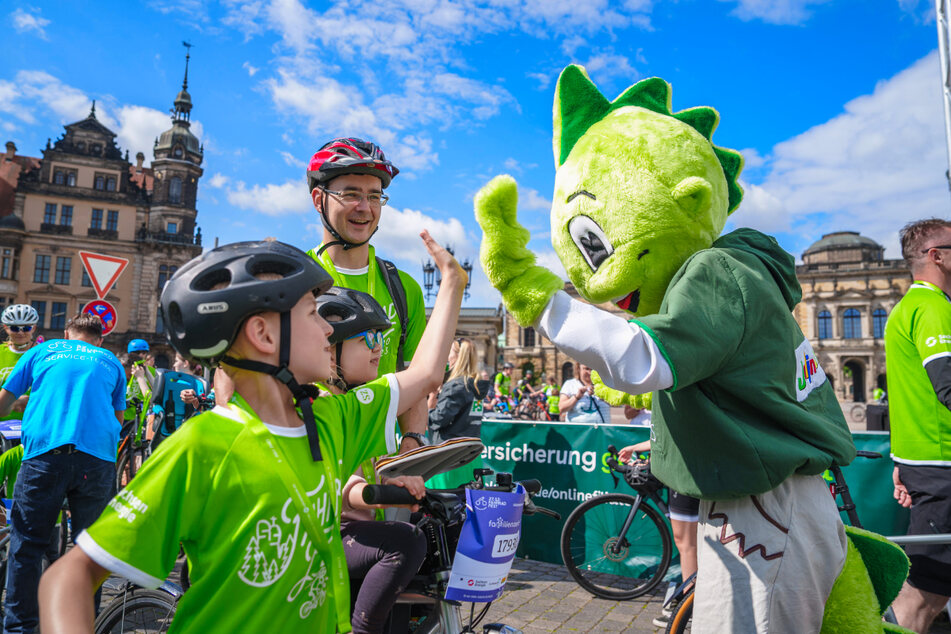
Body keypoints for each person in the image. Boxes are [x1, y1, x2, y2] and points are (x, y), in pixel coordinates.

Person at [39, 233, 466, 633]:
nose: (328, 329)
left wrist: (452, 284)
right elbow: (70, 575)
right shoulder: (203, 445)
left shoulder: (332, 419)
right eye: (312, 314)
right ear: (263, 335)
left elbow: (426, 373)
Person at [0, 313, 125, 634]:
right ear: (99, 339)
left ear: (68, 333)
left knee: (27, 547)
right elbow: (118, 417)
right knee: (90, 552)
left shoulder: (44, 350)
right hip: (96, 461)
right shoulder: (110, 360)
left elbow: (5, 401)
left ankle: (20, 628)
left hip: (46, 454)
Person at [305, 138, 428, 455]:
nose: (365, 208)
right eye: (351, 194)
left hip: (381, 474)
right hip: (309, 463)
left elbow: (413, 379)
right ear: (319, 199)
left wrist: (411, 447)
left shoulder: (406, 289)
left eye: (374, 197)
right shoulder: (293, 282)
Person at [315, 287, 427, 634]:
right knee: (404, 543)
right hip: (327, 532)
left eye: (381, 335)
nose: (379, 346)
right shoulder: (320, 402)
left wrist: (392, 481)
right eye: (368, 337)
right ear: (333, 350)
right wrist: (364, 490)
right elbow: (335, 478)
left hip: (355, 527)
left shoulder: (360, 402)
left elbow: (373, 465)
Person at [885, 218, 951, 633]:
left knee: (928, 597)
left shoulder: (906, 308)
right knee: (921, 601)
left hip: (925, 461)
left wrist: (900, 461)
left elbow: (910, 393)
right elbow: (948, 387)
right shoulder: (932, 307)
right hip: (942, 465)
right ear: (936, 255)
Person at [618, 441, 698, 627]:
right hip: (680, 470)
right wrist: (637, 450)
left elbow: (670, 437)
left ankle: (690, 609)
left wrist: (651, 458)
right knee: (687, 543)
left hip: (683, 471)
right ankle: (691, 603)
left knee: (687, 544)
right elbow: (660, 436)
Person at [0, 305, 41, 422]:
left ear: (34, 328)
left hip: (32, 426)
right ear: (5, 327)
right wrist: (13, 402)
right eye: (14, 328)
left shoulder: (44, 355)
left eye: (27, 328)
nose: (20, 332)